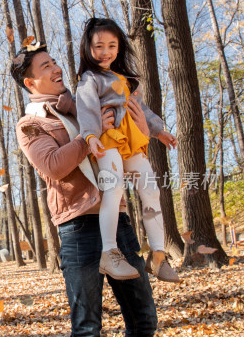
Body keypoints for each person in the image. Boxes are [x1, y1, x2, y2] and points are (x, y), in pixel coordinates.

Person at [11, 44, 160, 337]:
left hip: (119, 221)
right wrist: (89, 137)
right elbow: (55, 165)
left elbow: (129, 129)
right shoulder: (30, 124)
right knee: (87, 327)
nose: (57, 68)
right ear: (30, 81)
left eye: (56, 61)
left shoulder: (85, 101)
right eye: (46, 66)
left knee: (143, 316)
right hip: (77, 228)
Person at [75, 17, 179, 282]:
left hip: (132, 143)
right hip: (108, 141)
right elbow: (86, 109)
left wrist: (158, 131)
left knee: (151, 190)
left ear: (119, 47)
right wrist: (90, 136)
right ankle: (109, 252)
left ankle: (157, 255)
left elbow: (142, 110)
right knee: (114, 188)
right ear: (88, 48)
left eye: (112, 45)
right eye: (98, 46)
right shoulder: (90, 79)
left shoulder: (128, 80)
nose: (105, 52)